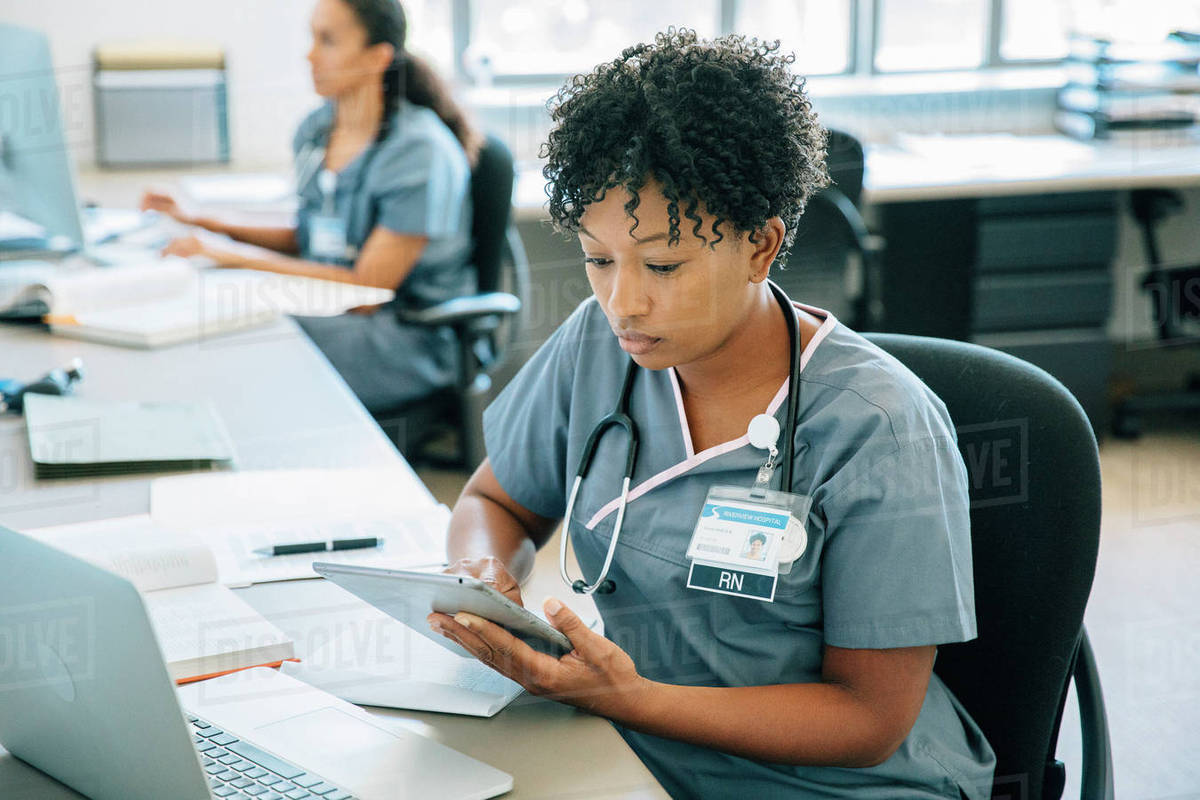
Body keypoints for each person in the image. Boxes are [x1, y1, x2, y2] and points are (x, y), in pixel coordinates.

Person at [427, 28, 996, 800]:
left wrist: (632, 700)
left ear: (760, 249)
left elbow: (870, 721)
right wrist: (481, 570)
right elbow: (496, 500)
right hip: (639, 748)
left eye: (663, 264)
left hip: (832, 786)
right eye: (599, 259)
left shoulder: (879, 429)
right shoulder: (598, 346)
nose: (623, 302)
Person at [140, 0, 482, 413]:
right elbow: (306, 234)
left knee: (246, 343)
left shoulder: (419, 154)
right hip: (332, 310)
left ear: (378, 57)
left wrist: (231, 257)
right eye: (312, 37)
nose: (309, 54)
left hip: (406, 333)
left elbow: (365, 290)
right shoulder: (317, 131)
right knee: (217, 319)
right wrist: (205, 221)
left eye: (328, 41)